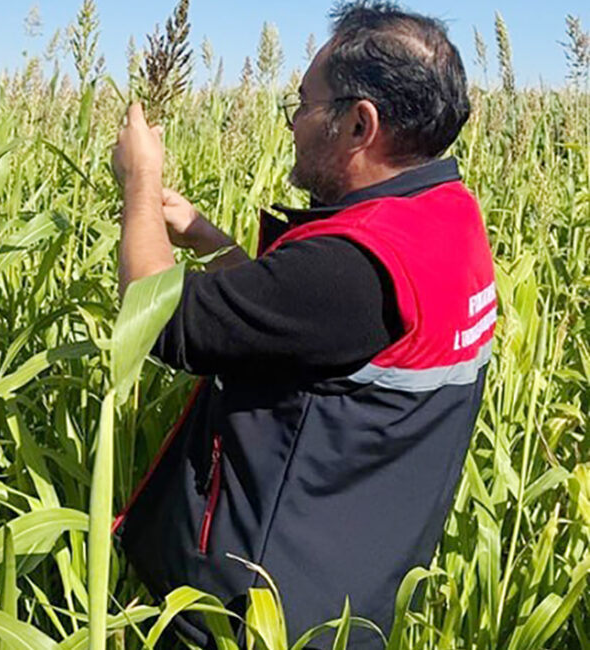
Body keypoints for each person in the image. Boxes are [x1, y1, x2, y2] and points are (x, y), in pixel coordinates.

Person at [110, 3, 492, 648]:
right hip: (348, 586)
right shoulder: (445, 218)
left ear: (358, 124)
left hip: (258, 615)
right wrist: (207, 236)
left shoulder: (350, 269)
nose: (293, 122)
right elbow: (301, 333)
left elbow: (155, 319)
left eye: (305, 103)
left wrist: (140, 186)